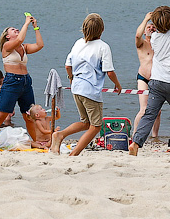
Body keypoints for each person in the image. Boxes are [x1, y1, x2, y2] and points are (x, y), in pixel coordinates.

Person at [49, 13, 121, 156]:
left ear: (84, 28)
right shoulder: (103, 47)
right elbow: (110, 72)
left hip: (76, 88)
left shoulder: (78, 43)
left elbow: (67, 65)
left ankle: (59, 135)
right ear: (102, 30)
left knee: (85, 123)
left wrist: (71, 78)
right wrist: (117, 84)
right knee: (95, 126)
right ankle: (74, 153)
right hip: (90, 91)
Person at [129, 6, 170, 155]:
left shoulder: (154, 37)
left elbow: (163, 36)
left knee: (150, 113)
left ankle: (136, 143)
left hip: (156, 81)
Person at [0, 13, 45, 146]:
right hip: (12, 82)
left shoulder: (23, 47)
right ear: (7, 36)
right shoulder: (7, 46)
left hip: (26, 82)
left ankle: (36, 142)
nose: (16, 30)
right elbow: (19, 40)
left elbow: (40, 45)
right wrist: (26, 23)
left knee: (29, 116)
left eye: (17, 29)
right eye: (13, 30)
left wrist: (35, 27)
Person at [133, 22, 161, 140]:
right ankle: (134, 135)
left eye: (153, 27)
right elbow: (137, 36)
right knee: (144, 109)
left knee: (158, 111)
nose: (151, 29)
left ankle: (155, 137)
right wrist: (146, 19)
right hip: (143, 78)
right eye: (148, 27)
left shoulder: (159, 44)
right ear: (144, 31)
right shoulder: (141, 43)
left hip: (156, 78)